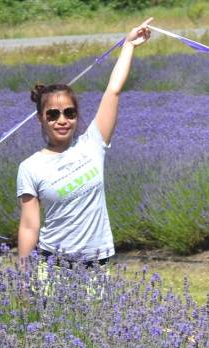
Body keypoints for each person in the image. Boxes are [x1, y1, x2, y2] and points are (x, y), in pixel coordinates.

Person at [16, 18, 154, 266]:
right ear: (41, 119)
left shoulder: (92, 144)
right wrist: (24, 278)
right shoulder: (30, 167)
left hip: (97, 260)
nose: (62, 120)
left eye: (69, 113)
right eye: (53, 114)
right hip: (54, 262)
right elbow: (29, 226)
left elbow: (112, 90)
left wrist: (129, 45)